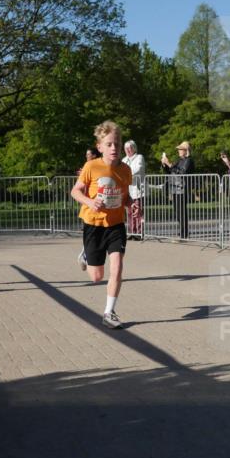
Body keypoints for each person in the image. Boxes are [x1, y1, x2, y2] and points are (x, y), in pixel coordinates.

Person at [71, 121, 132, 329]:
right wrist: (90, 201)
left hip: (116, 225)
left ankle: (109, 312)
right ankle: (86, 255)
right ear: (100, 147)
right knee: (97, 276)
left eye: (116, 143)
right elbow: (75, 191)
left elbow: (125, 195)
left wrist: (132, 205)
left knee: (117, 268)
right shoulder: (91, 166)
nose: (114, 148)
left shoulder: (125, 170)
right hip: (93, 224)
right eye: (109, 144)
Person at [161, 141, 195, 240]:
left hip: (182, 188)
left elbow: (182, 172)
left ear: (186, 151)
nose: (179, 151)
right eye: (179, 149)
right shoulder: (179, 160)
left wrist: (169, 164)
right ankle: (182, 232)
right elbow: (170, 171)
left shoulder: (189, 161)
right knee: (177, 211)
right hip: (175, 188)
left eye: (181, 149)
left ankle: (184, 234)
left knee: (181, 211)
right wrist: (164, 164)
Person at [123, 140, 146, 240]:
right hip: (128, 190)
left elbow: (138, 169)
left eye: (130, 147)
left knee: (138, 211)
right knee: (129, 212)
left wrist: (126, 175)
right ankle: (131, 232)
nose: (128, 150)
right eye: (126, 148)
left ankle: (139, 233)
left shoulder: (139, 157)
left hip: (137, 189)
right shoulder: (124, 159)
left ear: (134, 148)